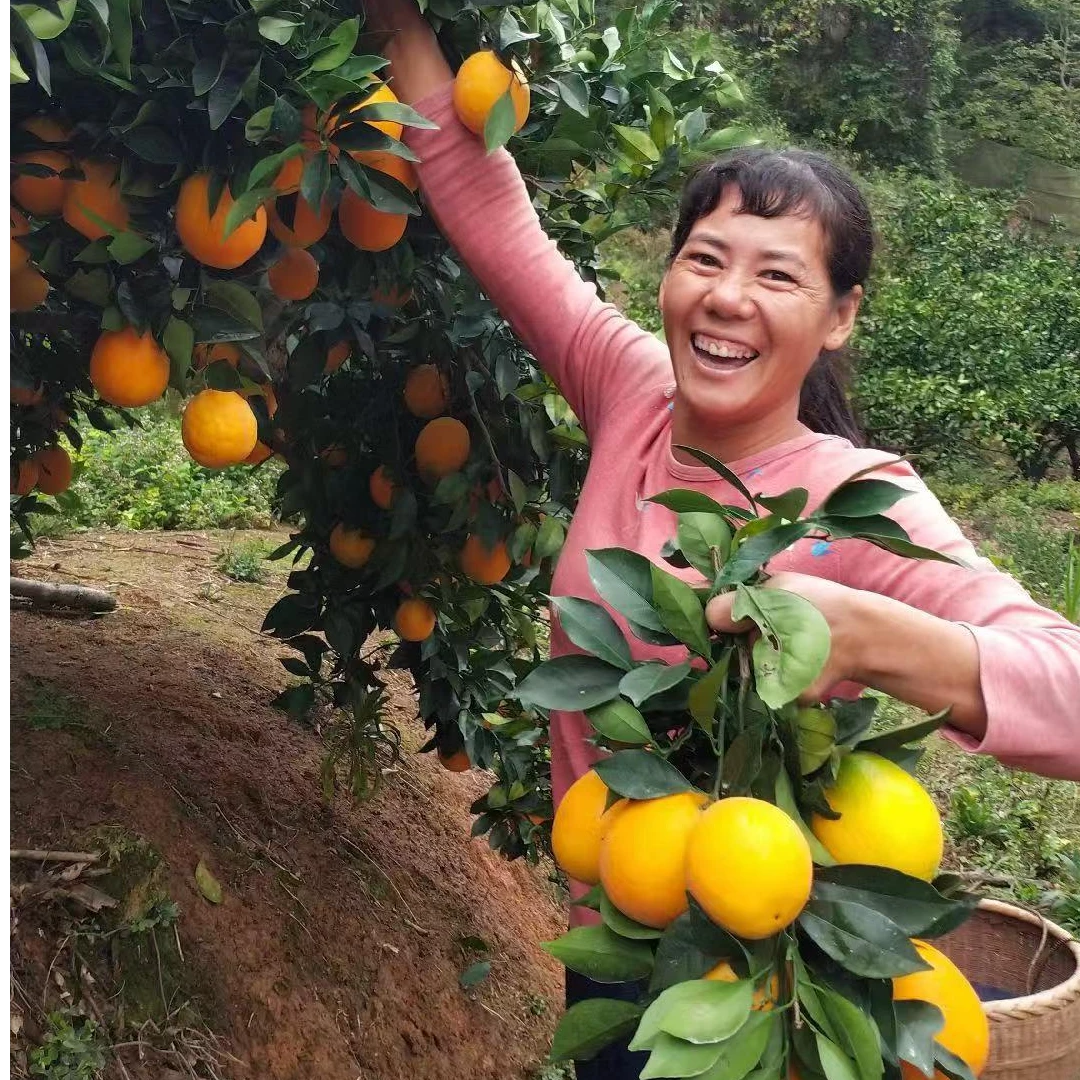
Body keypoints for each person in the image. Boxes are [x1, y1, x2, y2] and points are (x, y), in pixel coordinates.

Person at [366, 4, 1080, 1076]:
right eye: (706, 259)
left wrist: (871, 636)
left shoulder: (856, 500)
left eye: (779, 276)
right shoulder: (632, 394)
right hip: (619, 939)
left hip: (765, 981)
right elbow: (490, 211)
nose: (729, 298)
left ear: (840, 316)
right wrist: (388, 19)